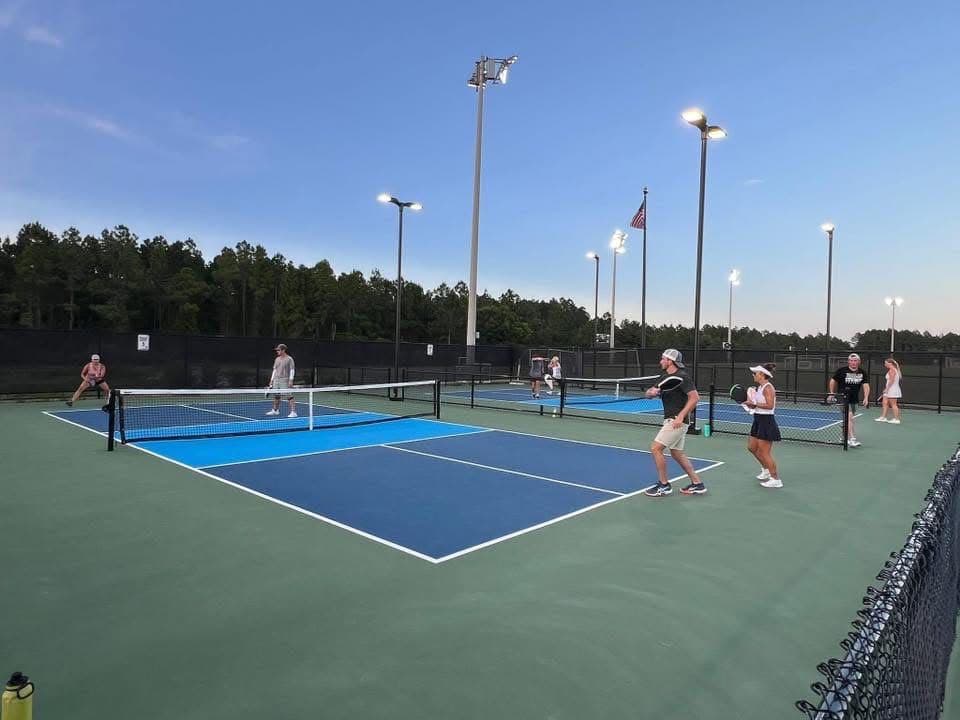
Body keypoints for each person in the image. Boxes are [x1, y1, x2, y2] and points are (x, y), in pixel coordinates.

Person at [643, 348, 706, 497]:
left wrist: (680, 416)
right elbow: (649, 393)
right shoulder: (664, 377)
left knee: (656, 448)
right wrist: (651, 393)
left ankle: (664, 485)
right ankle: (697, 484)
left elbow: (695, 398)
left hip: (677, 420)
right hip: (671, 419)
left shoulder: (683, 377)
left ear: (670, 361)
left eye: (663, 359)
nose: (660, 361)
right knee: (677, 453)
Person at [744, 363, 783, 488]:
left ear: (761, 374)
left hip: (767, 421)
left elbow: (770, 405)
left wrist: (755, 405)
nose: (753, 375)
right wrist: (750, 405)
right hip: (758, 419)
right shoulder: (759, 388)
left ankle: (775, 479)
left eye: (755, 373)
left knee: (764, 452)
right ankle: (766, 470)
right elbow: (757, 404)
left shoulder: (768, 388)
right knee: (752, 447)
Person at [829, 353, 870, 447]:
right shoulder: (841, 371)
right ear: (848, 362)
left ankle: (843, 438)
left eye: (855, 361)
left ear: (859, 362)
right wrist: (831, 393)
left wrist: (866, 397)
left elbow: (866, 385)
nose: (853, 362)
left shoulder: (862, 372)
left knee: (847, 419)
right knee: (849, 417)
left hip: (854, 399)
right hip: (842, 398)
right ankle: (852, 439)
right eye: (851, 361)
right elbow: (832, 380)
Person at [266, 344, 297, 418]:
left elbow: (292, 370)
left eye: (278, 350)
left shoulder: (289, 359)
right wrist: (271, 380)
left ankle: (293, 412)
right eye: (277, 350)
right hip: (276, 380)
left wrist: (291, 380)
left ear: (283, 350)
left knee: (289, 396)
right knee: (276, 396)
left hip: (285, 380)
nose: (277, 351)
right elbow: (274, 370)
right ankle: (275, 410)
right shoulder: (277, 359)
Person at [876, 357, 903, 424]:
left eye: (886, 363)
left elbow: (892, 381)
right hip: (889, 389)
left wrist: (887, 389)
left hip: (892, 389)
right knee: (884, 402)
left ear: (890, 363)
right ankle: (883, 417)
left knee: (893, 404)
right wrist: (886, 389)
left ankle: (896, 419)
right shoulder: (893, 369)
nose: (885, 364)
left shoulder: (892, 370)